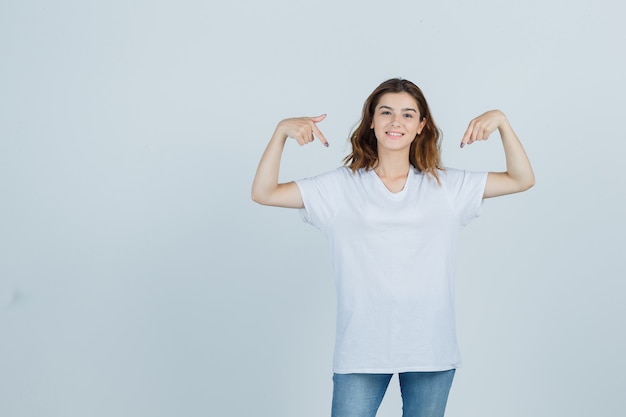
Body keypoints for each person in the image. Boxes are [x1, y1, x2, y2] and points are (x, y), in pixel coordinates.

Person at [251, 78, 534, 417]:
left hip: (430, 348)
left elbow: (521, 179)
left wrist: (501, 121)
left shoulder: (446, 186)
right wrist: (281, 132)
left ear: (421, 126)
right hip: (362, 349)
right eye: (385, 112)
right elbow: (264, 192)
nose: (396, 122)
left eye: (408, 114)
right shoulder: (341, 187)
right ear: (371, 121)